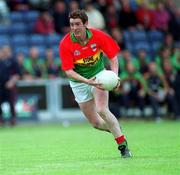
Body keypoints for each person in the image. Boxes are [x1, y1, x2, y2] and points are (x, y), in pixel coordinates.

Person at [59, 9, 132, 158]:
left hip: (99, 76)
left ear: (86, 24)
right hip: (79, 82)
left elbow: (113, 57)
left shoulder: (98, 36)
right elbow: (68, 71)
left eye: (77, 24)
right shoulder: (66, 43)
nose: (74, 28)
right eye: (71, 24)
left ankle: (123, 147)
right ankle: (115, 127)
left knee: (102, 110)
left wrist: (115, 77)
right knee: (96, 123)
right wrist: (87, 81)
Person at [0, 46, 20, 126]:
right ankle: (1, 119)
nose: (5, 52)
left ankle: (13, 118)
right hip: (0, 86)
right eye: (3, 50)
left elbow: (18, 74)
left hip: (10, 86)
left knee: (11, 103)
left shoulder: (13, 61)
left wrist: (11, 82)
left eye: (6, 50)